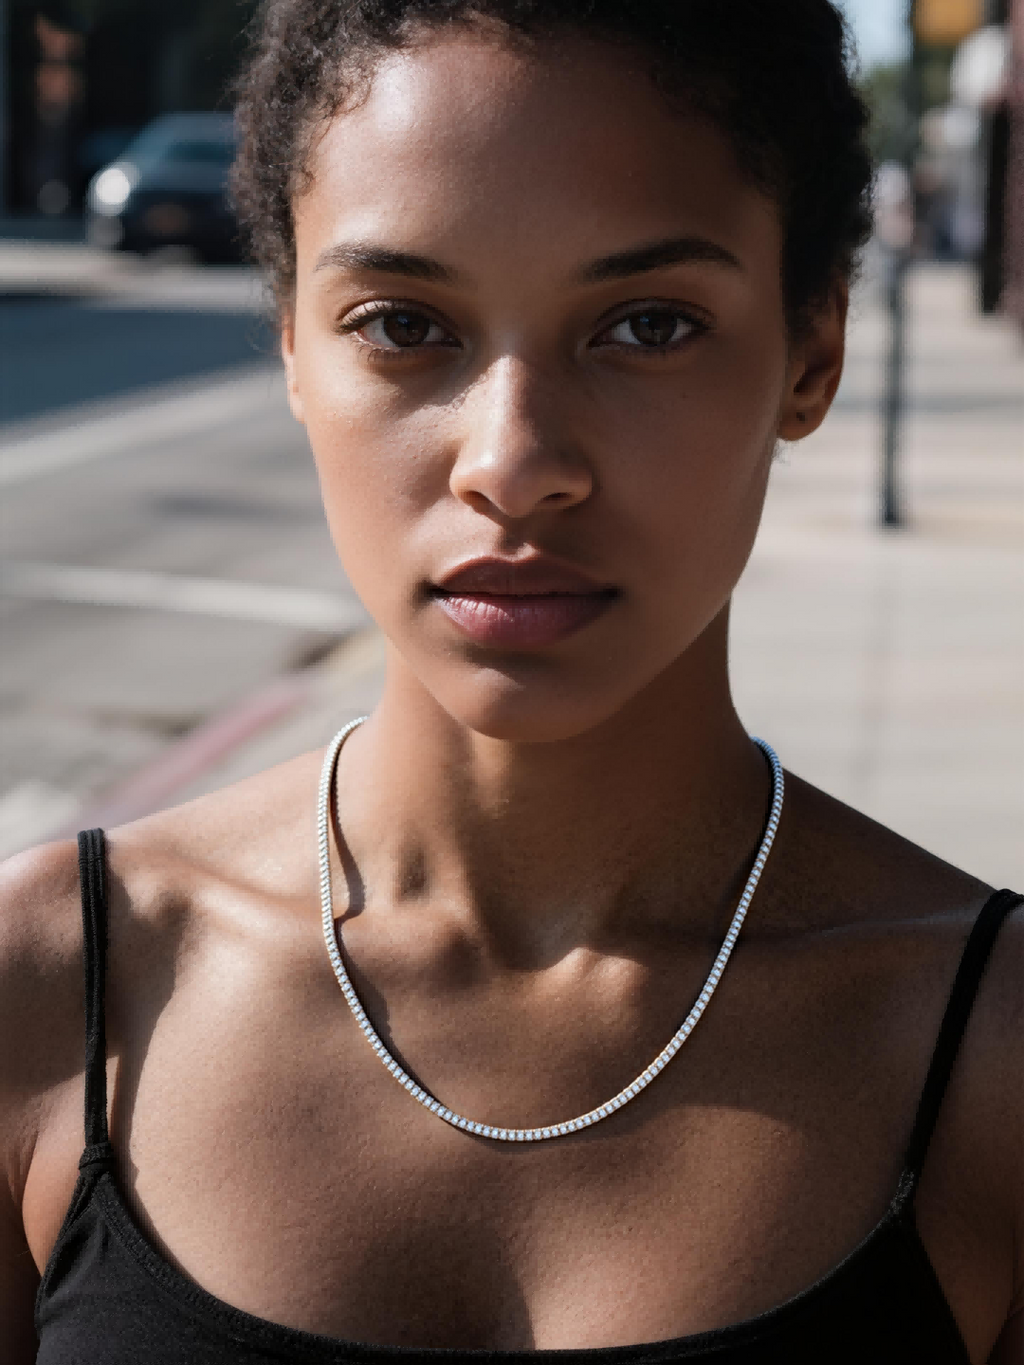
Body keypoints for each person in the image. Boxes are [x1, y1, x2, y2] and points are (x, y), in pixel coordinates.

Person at [1, 1, 1020, 1360]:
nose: (513, 459)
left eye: (648, 325)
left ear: (812, 351)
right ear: (293, 349)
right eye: (403, 323)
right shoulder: (53, 986)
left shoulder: (988, 1060)